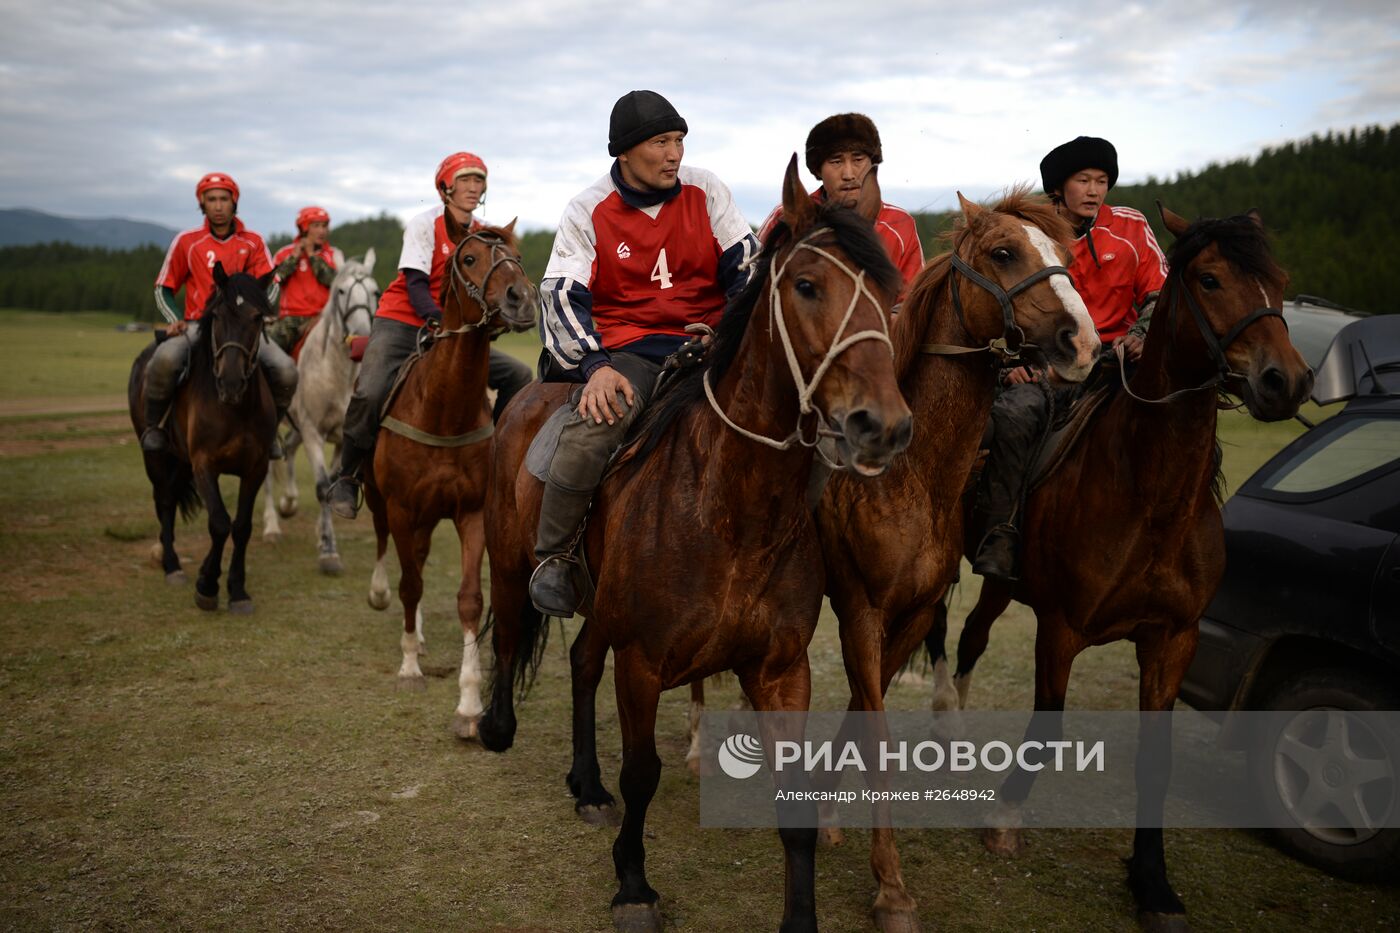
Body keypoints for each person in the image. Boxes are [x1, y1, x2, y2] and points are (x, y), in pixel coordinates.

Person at [529, 89, 759, 615]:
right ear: (625, 153)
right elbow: (561, 296)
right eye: (661, 142)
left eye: (679, 140)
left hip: (709, 344)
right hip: (629, 351)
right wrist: (595, 369)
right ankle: (556, 558)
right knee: (593, 431)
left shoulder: (706, 190)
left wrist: (727, 338)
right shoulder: (588, 209)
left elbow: (747, 271)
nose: (675, 153)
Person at [972, 136, 1168, 582]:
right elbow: (999, 307)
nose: (1095, 190)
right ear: (1059, 188)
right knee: (1016, 418)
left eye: (1102, 181)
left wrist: (1140, 334)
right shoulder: (1028, 234)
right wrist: (1009, 364)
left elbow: (1162, 291)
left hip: (1119, 364)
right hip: (1049, 370)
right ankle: (999, 533)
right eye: (1084, 180)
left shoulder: (1132, 227)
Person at [326, 152, 534, 519]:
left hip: (452, 332)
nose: (473, 187)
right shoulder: (424, 225)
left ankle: (497, 456)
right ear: (445, 188)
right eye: (465, 180)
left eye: (479, 181)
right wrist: (437, 321)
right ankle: (347, 475)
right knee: (371, 388)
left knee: (519, 375)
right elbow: (415, 283)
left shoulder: (485, 232)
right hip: (402, 321)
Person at [142, 172, 298, 456]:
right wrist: (173, 319)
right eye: (211, 199)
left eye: (224, 199)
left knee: (286, 371)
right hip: (195, 327)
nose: (217, 205)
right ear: (202, 203)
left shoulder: (253, 241)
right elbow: (163, 288)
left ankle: (270, 431)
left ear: (234, 202)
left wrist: (258, 315)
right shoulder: (187, 242)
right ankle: (155, 427)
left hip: (243, 329)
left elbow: (271, 285)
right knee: (163, 360)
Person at [758, 113, 923, 299]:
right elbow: (752, 288)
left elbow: (910, 304)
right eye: (836, 161)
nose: (849, 174)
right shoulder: (787, 216)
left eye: (858, 159)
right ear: (818, 170)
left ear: (873, 164)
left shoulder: (899, 224)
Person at [267, 206, 343, 354]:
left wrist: (311, 255)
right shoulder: (285, 253)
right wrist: (294, 258)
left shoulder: (333, 254)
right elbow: (274, 283)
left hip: (325, 317)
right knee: (265, 349)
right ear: (304, 228)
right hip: (292, 320)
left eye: (325, 226)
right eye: (316, 226)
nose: (322, 231)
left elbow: (333, 281)